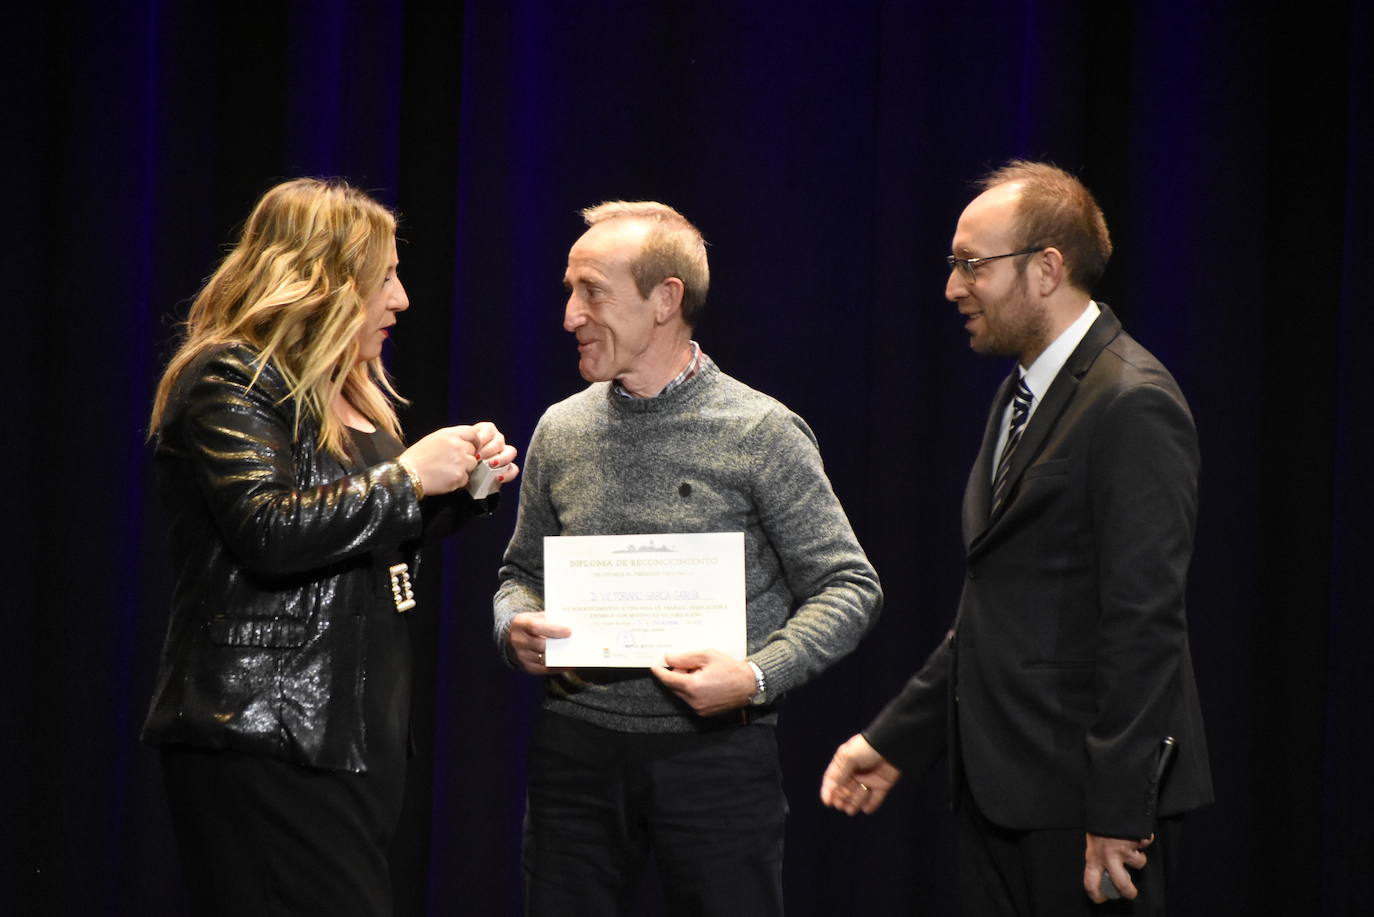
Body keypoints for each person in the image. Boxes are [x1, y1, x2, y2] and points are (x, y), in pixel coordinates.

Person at [820, 161, 1212, 914]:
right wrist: (898, 737)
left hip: (1086, 808)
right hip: (1007, 792)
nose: (952, 288)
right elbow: (1002, 606)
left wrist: (1118, 811)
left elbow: (1144, 621)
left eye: (972, 265)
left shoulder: (1132, 401)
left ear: (1046, 268)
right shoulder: (1020, 392)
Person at [142, 178, 519, 917]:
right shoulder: (230, 377)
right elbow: (269, 529)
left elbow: (356, 541)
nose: (402, 299)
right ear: (322, 280)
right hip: (262, 731)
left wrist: (454, 492)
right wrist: (409, 476)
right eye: (384, 277)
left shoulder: (345, 393)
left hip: (345, 733)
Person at [494, 200, 882, 916]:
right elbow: (519, 575)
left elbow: (848, 585)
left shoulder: (761, 430)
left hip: (716, 762)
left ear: (665, 298)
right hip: (575, 752)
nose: (570, 316)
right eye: (569, 292)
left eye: (592, 292)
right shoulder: (561, 428)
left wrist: (759, 674)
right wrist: (514, 624)